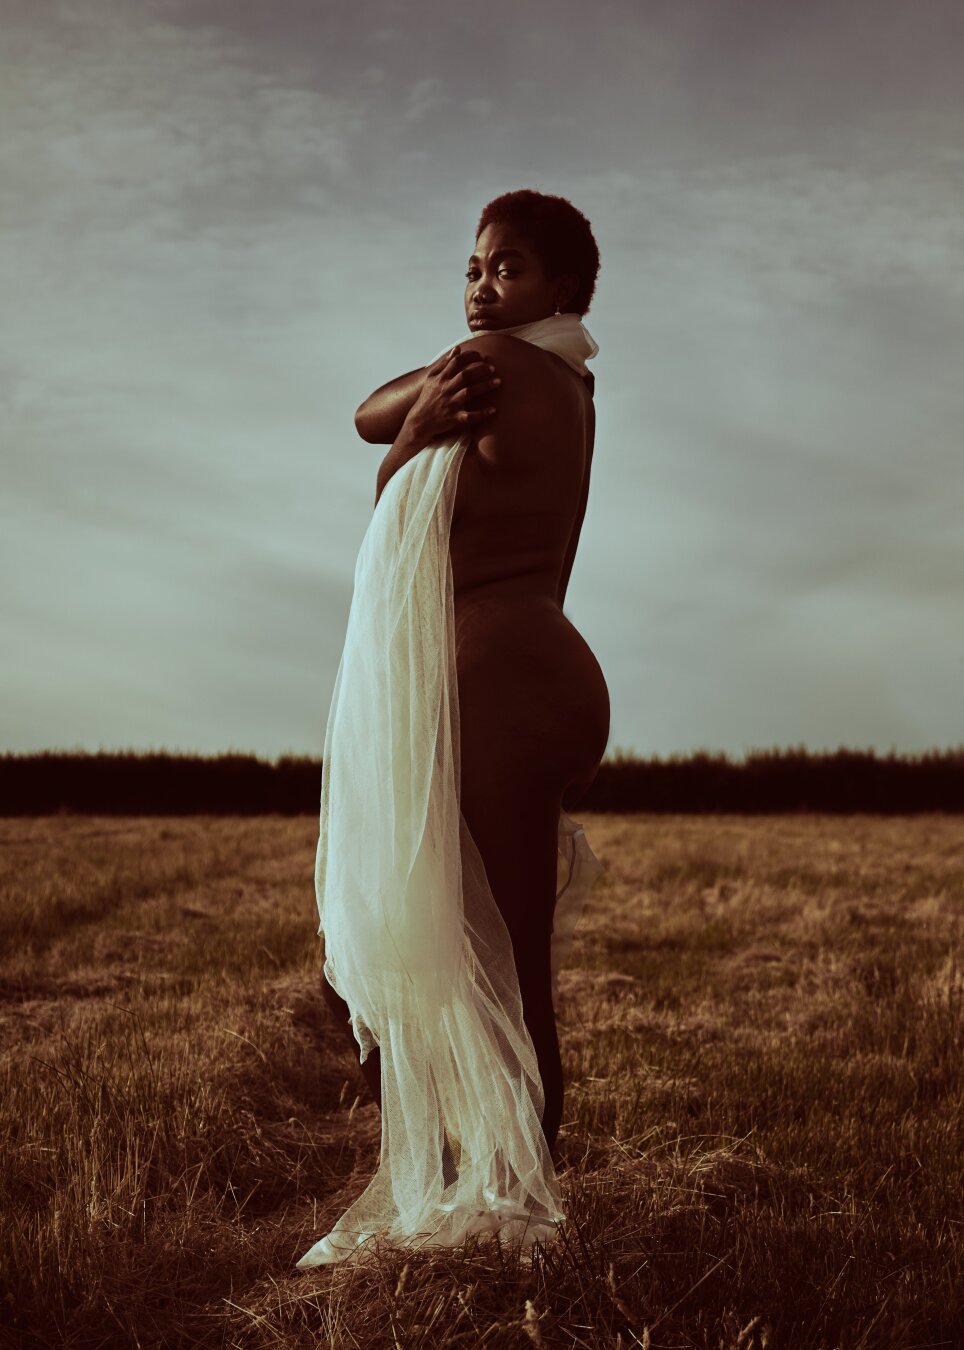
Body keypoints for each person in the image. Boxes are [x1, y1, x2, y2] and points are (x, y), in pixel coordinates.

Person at [298, 189, 609, 1268]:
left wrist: (421, 418)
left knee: (494, 972)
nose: (483, 288)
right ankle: (516, 1189)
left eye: (509, 270)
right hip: (543, 669)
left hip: (493, 685)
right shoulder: (572, 387)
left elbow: (368, 425)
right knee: (510, 961)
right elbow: (383, 417)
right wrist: (427, 408)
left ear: (560, 287)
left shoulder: (496, 372)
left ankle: (516, 1210)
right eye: (473, 268)